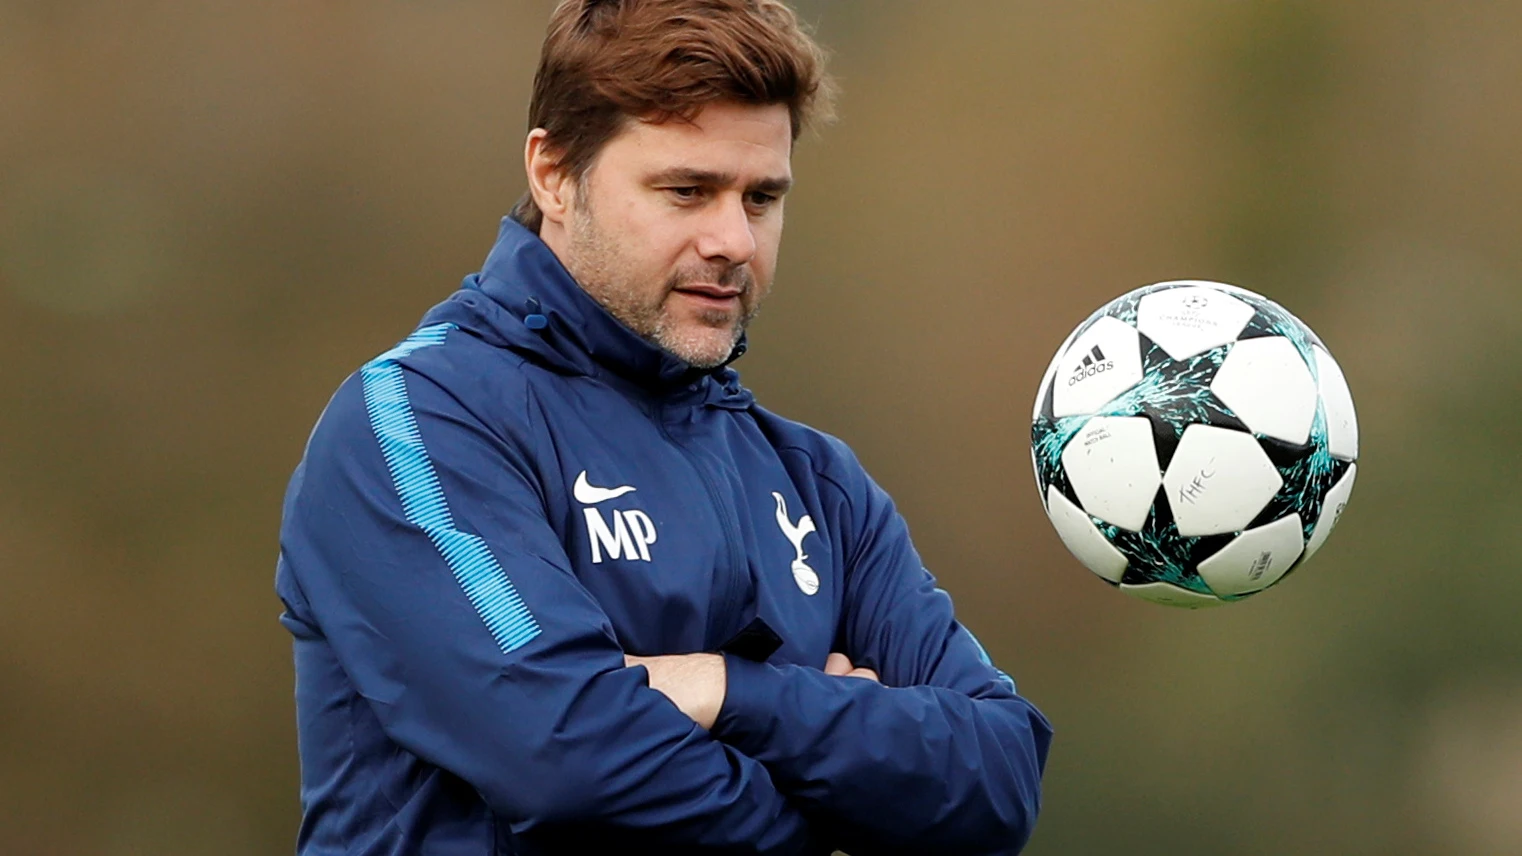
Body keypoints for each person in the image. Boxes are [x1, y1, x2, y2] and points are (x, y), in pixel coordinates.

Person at [275, 0, 1052, 852]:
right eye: (687, 190)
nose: (732, 240)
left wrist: (728, 691)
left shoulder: (818, 484)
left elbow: (1001, 774)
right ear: (553, 173)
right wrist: (848, 781)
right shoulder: (416, 422)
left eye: (761, 198)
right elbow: (567, 756)